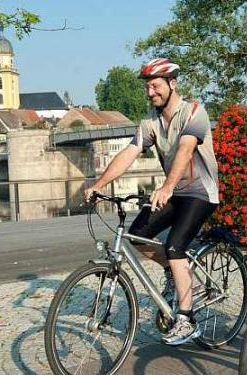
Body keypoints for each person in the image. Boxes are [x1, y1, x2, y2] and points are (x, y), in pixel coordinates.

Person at [85, 58, 219, 346]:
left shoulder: (194, 112)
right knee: (138, 237)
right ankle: (175, 270)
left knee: (174, 246)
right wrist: (99, 184)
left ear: (172, 84)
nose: (150, 92)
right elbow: (130, 152)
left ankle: (186, 319)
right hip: (172, 193)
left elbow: (185, 150)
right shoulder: (150, 122)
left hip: (200, 193)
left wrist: (167, 186)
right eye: (147, 87)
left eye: (155, 86)